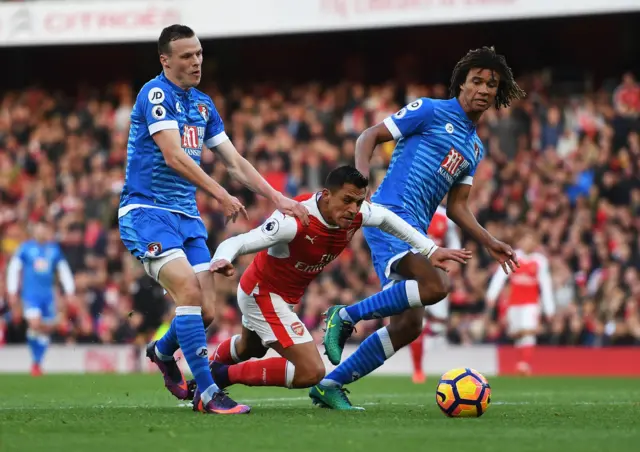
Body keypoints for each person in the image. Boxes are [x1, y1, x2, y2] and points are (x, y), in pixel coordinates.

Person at [313, 46, 526, 410]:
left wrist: (490, 241)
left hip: (416, 229)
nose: (484, 89)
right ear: (461, 84)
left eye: (492, 84)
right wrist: (360, 184)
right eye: (476, 81)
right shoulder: (429, 110)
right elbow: (369, 135)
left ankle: (330, 384)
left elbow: (458, 207)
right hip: (389, 214)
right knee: (435, 285)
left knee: (409, 326)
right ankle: (344, 316)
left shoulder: (474, 149)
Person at [118, 24, 308, 415]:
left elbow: (234, 162)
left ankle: (161, 350)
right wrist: (220, 193)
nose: (196, 61)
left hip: (187, 217)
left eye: (199, 54)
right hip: (148, 211)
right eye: (187, 55)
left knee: (204, 312)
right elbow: (173, 155)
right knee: (187, 292)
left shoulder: (203, 104)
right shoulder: (155, 94)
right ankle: (207, 394)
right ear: (165, 60)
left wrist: (277, 197)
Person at [184, 166, 470, 396]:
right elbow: (242, 240)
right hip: (263, 294)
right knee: (311, 372)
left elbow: (389, 220)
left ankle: (206, 376)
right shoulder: (294, 219)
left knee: (251, 348)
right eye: (346, 200)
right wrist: (221, 259)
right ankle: (219, 376)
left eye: (358, 202)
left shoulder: (357, 214)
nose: (353, 208)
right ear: (325, 195)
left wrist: (430, 250)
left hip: (279, 296)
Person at [6, 220, 75, 376]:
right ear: (34, 231)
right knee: (35, 324)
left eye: (44, 229)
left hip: (48, 296)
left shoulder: (53, 249)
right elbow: (14, 268)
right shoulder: (26, 248)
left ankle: (37, 363)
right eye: (38, 229)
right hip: (30, 295)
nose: (41, 232)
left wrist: (70, 290)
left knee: (43, 331)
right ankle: (37, 360)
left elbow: (63, 270)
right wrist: (12, 291)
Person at [486, 228, 555, 375]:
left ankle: (525, 364)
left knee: (528, 332)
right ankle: (520, 364)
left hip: (531, 303)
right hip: (514, 303)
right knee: (517, 334)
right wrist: (492, 295)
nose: (527, 242)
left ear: (535, 242)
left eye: (531, 239)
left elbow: (546, 284)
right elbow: (500, 276)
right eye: (525, 239)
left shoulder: (540, 261)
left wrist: (549, 309)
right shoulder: (513, 257)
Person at [409, 204, 462, 384]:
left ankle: (437, 366)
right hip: (413, 272)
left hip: (438, 273)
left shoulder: (444, 217)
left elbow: (454, 243)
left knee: (439, 323)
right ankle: (417, 370)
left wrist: (453, 264)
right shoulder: (412, 209)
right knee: (417, 322)